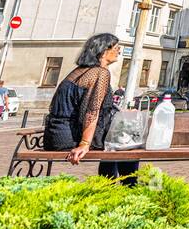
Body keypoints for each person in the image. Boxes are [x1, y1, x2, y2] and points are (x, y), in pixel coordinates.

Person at [43, 33, 138, 183]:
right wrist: (84, 144)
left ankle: (108, 184)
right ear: (103, 51)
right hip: (71, 136)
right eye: (116, 48)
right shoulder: (100, 72)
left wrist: (121, 113)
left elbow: (87, 106)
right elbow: (91, 111)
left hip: (56, 133)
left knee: (116, 139)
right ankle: (129, 187)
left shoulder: (80, 71)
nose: (119, 51)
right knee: (128, 142)